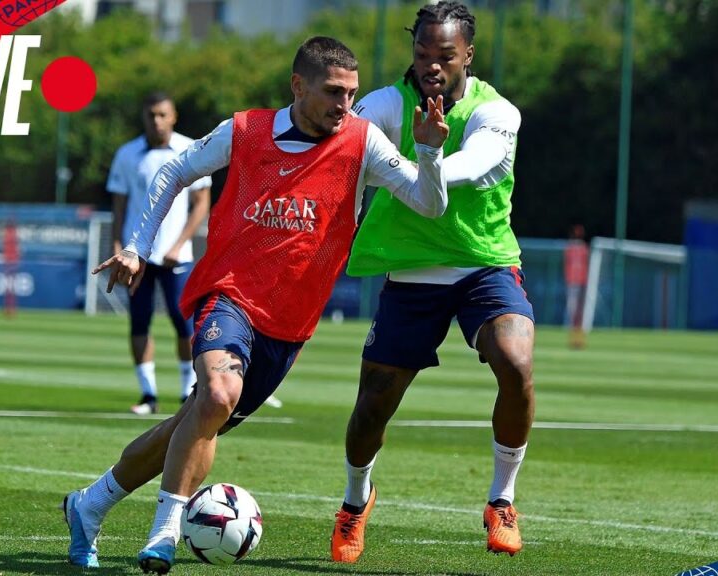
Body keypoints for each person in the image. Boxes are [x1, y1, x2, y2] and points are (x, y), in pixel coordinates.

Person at [63, 36, 450, 574]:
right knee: (218, 395)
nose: (345, 105)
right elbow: (174, 171)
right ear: (298, 86)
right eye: (334, 92)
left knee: (193, 423)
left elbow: (430, 204)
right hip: (227, 296)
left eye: (352, 94)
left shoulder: (364, 144)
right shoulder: (244, 131)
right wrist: (136, 248)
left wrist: (428, 151)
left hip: (289, 326)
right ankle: (165, 533)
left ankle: (88, 505)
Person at [332, 1, 534, 562]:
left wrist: (420, 157)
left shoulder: (498, 113)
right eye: (422, 54)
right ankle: (354, 503)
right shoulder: (382, 106)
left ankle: (502, 500)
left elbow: (472, 164)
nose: (432, 66)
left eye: (445, 55)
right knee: (373, 403)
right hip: (411, 272)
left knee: (515, 363)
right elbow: (337, 148)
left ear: (468, 54)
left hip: (484, 264)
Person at [107, 92, 212, 414]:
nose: (156, 120)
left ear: (174, 116)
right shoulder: (128, 154)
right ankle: (148, 395)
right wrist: (117, 247)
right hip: (137, 256)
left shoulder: (190, 149)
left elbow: (201, 203)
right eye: (151, 114)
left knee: (184, 325)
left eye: (162, 114)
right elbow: (119, 207)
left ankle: (186, 392)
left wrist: (180, 244)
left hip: (175, 256)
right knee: (139, 323)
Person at [563, 224, 589, 349]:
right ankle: (574, 338)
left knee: (579, 312)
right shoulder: (571, 248)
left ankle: (579, 338)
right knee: (573, 311)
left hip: (581, 283)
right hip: (573, 284)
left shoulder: (583, 248)